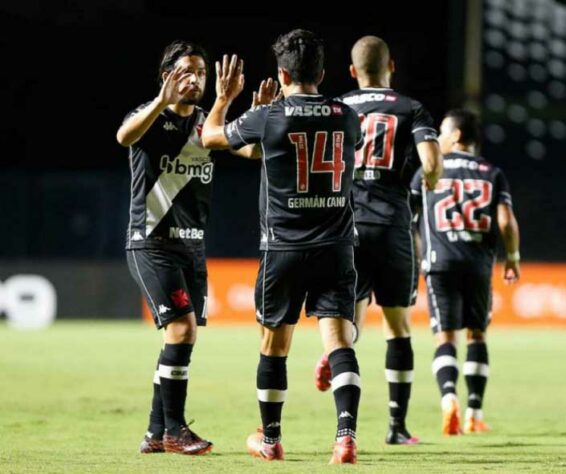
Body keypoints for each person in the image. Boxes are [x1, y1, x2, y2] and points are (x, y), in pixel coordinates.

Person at [201, 29, 364, 464]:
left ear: (283, 72)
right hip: (336, 245)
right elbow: (285, 152)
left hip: (284, 250)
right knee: (338, 343)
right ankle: (345, 437)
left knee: (274, 346)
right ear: (322, 72)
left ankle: (271, 439)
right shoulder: (348, 116)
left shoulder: (271, 116)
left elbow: (211, 137)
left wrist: (226, 98)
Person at [313, 35, 442, 445]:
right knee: (398, 327)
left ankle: (336, 354)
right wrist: (423, 185)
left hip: (345, 227)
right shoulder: (411, 108)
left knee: (349, 319)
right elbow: (433, 165)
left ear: (352, 71)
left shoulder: (337, 107)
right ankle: (396, 427)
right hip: (391, 225)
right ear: (392, 66)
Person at [116, 40, 214, 455]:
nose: (194, 79)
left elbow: (248, 148)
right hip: (151, 243)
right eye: (186, 71)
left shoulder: (207, 123)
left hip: (192, 248)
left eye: (201, 73)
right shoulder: (149, 117)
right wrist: (161, 101)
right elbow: (124, 136)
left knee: (178, 339)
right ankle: (176, 431)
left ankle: (155, 434)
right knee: (182, 329)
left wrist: (265, 114)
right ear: (167, 76)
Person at [410, 109, 521, 435]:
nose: (438, 139)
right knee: (477, 334)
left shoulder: (430, 168)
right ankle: (474, 411)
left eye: (442, 132)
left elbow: (408, 216)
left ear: (456, 135)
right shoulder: (492, 172)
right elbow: (505, 221)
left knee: (445, 337)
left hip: (439, 263)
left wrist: (416, 255)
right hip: (477, 266)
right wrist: (512, 256)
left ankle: (448, 400)